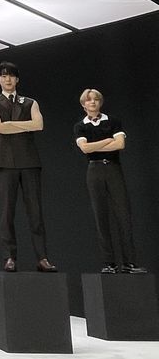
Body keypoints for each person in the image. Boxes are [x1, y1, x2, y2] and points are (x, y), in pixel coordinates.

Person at [0, 61, 57, 273]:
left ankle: (42, 257)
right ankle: (9, 257)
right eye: (4, 76)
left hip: (30, 161)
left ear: (17, 79)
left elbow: (39, 125)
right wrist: (23, 126)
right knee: (7, 211)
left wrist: (10, 126)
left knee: (35, 211)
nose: (8, 79)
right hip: (5, 162)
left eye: (11, 76)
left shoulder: (30, 102)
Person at [73, 89, 146, 274]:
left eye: (96, 100)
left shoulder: (113, 121)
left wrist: (97, 145)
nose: (92, 103)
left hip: (113, 167)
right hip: (94, 169)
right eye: (89, 100)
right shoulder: (80, 126)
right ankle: (109, 263)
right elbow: (85, 149)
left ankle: (129, 263)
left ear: (100, 102)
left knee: (123, 214)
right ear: (83, 104)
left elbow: (120, 144)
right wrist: (107, 140)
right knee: (101, 215)